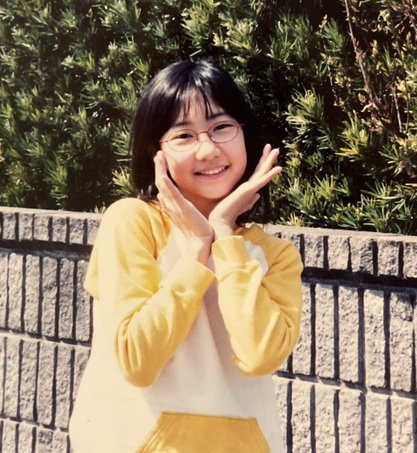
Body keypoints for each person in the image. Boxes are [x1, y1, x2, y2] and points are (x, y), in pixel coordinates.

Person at [69, 60, 303, 452]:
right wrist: (197, 248)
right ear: (156, 152)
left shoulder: (275, 255)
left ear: (245, 135)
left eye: (222, 127)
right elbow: (138, 361)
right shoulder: (132, 223)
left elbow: (259, 355)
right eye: (183, 135)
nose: (208, 150)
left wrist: (223, 233)